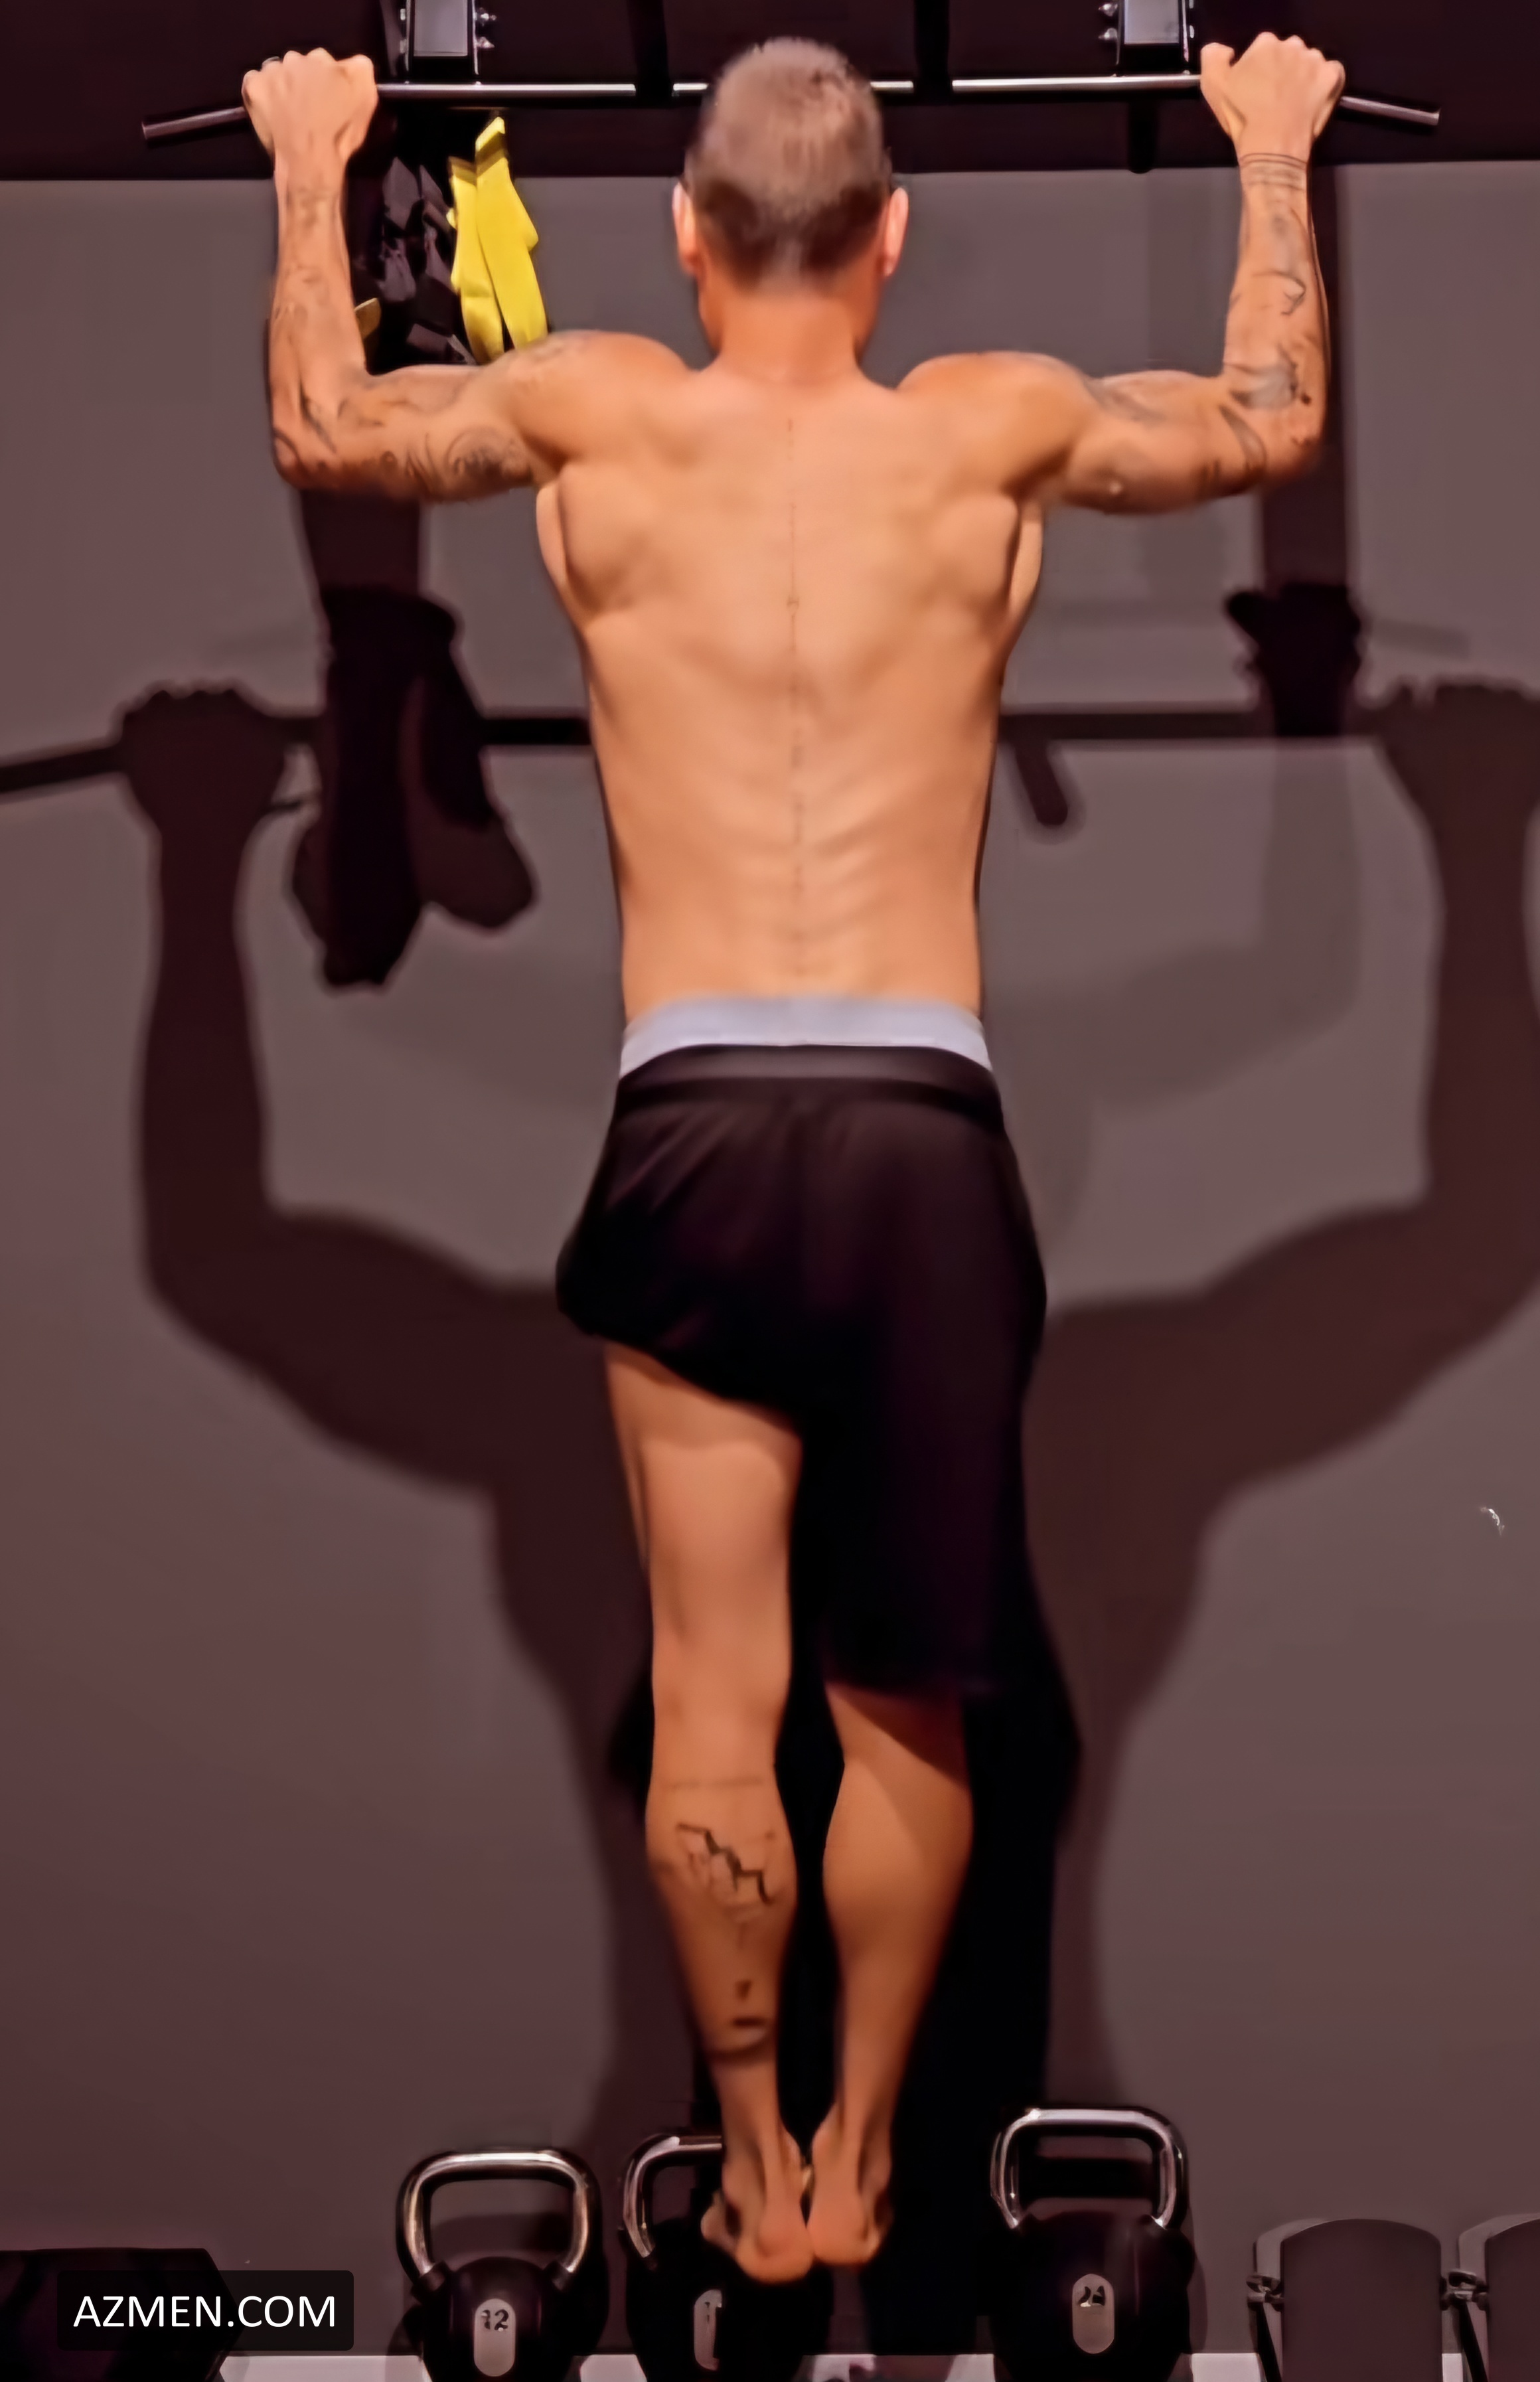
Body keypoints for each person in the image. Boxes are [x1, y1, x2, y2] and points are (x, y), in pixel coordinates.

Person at [243, 26, 1344, 2284]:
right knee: (903, 1698)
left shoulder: (597, 415)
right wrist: (1267, 150)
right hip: (922, 1126)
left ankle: (751, 2151)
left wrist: (311, 159)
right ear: (893, 238)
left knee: (713, 1689)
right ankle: (863, 2147)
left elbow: (330, 426)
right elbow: (1267, 417)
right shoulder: (992, 429)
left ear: (683, 234)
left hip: (699, 1116)